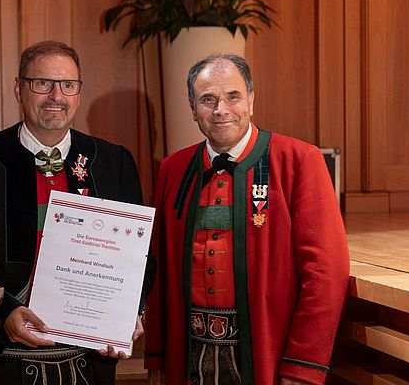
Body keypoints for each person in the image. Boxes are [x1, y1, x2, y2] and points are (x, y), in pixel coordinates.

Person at [0, 40, 155, 384]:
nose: (56, 96)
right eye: (42, 84)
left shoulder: (113, 162)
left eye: (67, 85)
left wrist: (126, 312)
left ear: (78, 92)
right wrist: (3, 315)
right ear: (19, 89)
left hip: (92, 363)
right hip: (7, 363)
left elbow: (140, 256)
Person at [144, 53, 349, 385]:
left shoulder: (299, 161)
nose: (221, 109)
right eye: (208, 99)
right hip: (188, 355)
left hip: (268, 356)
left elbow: (327, 272)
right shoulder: (172, 169)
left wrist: (304, 365)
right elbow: (157, 267)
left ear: (251, 100)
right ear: (193, 107)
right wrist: (157, 355)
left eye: (233, 96)